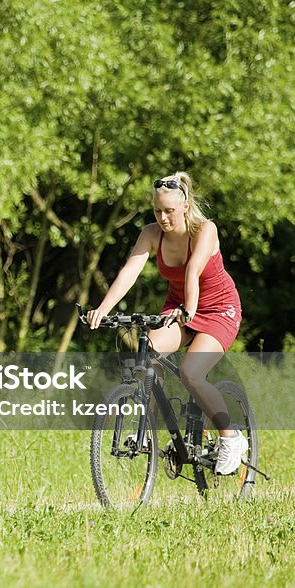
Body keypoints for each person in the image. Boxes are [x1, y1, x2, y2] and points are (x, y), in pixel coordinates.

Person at [85, 172, 247, 475]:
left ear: (185, 205)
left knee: (191, 372)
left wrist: (189, 309)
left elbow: (193, 271)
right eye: (157, 210)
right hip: (179, 308)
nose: (162, 217)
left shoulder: (205, 230)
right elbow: (129, 271)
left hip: (217, 308)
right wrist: (102, 309)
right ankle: (147, 430)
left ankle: (231, 436)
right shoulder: (151, 233)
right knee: (148, 351)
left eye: (169, 211)